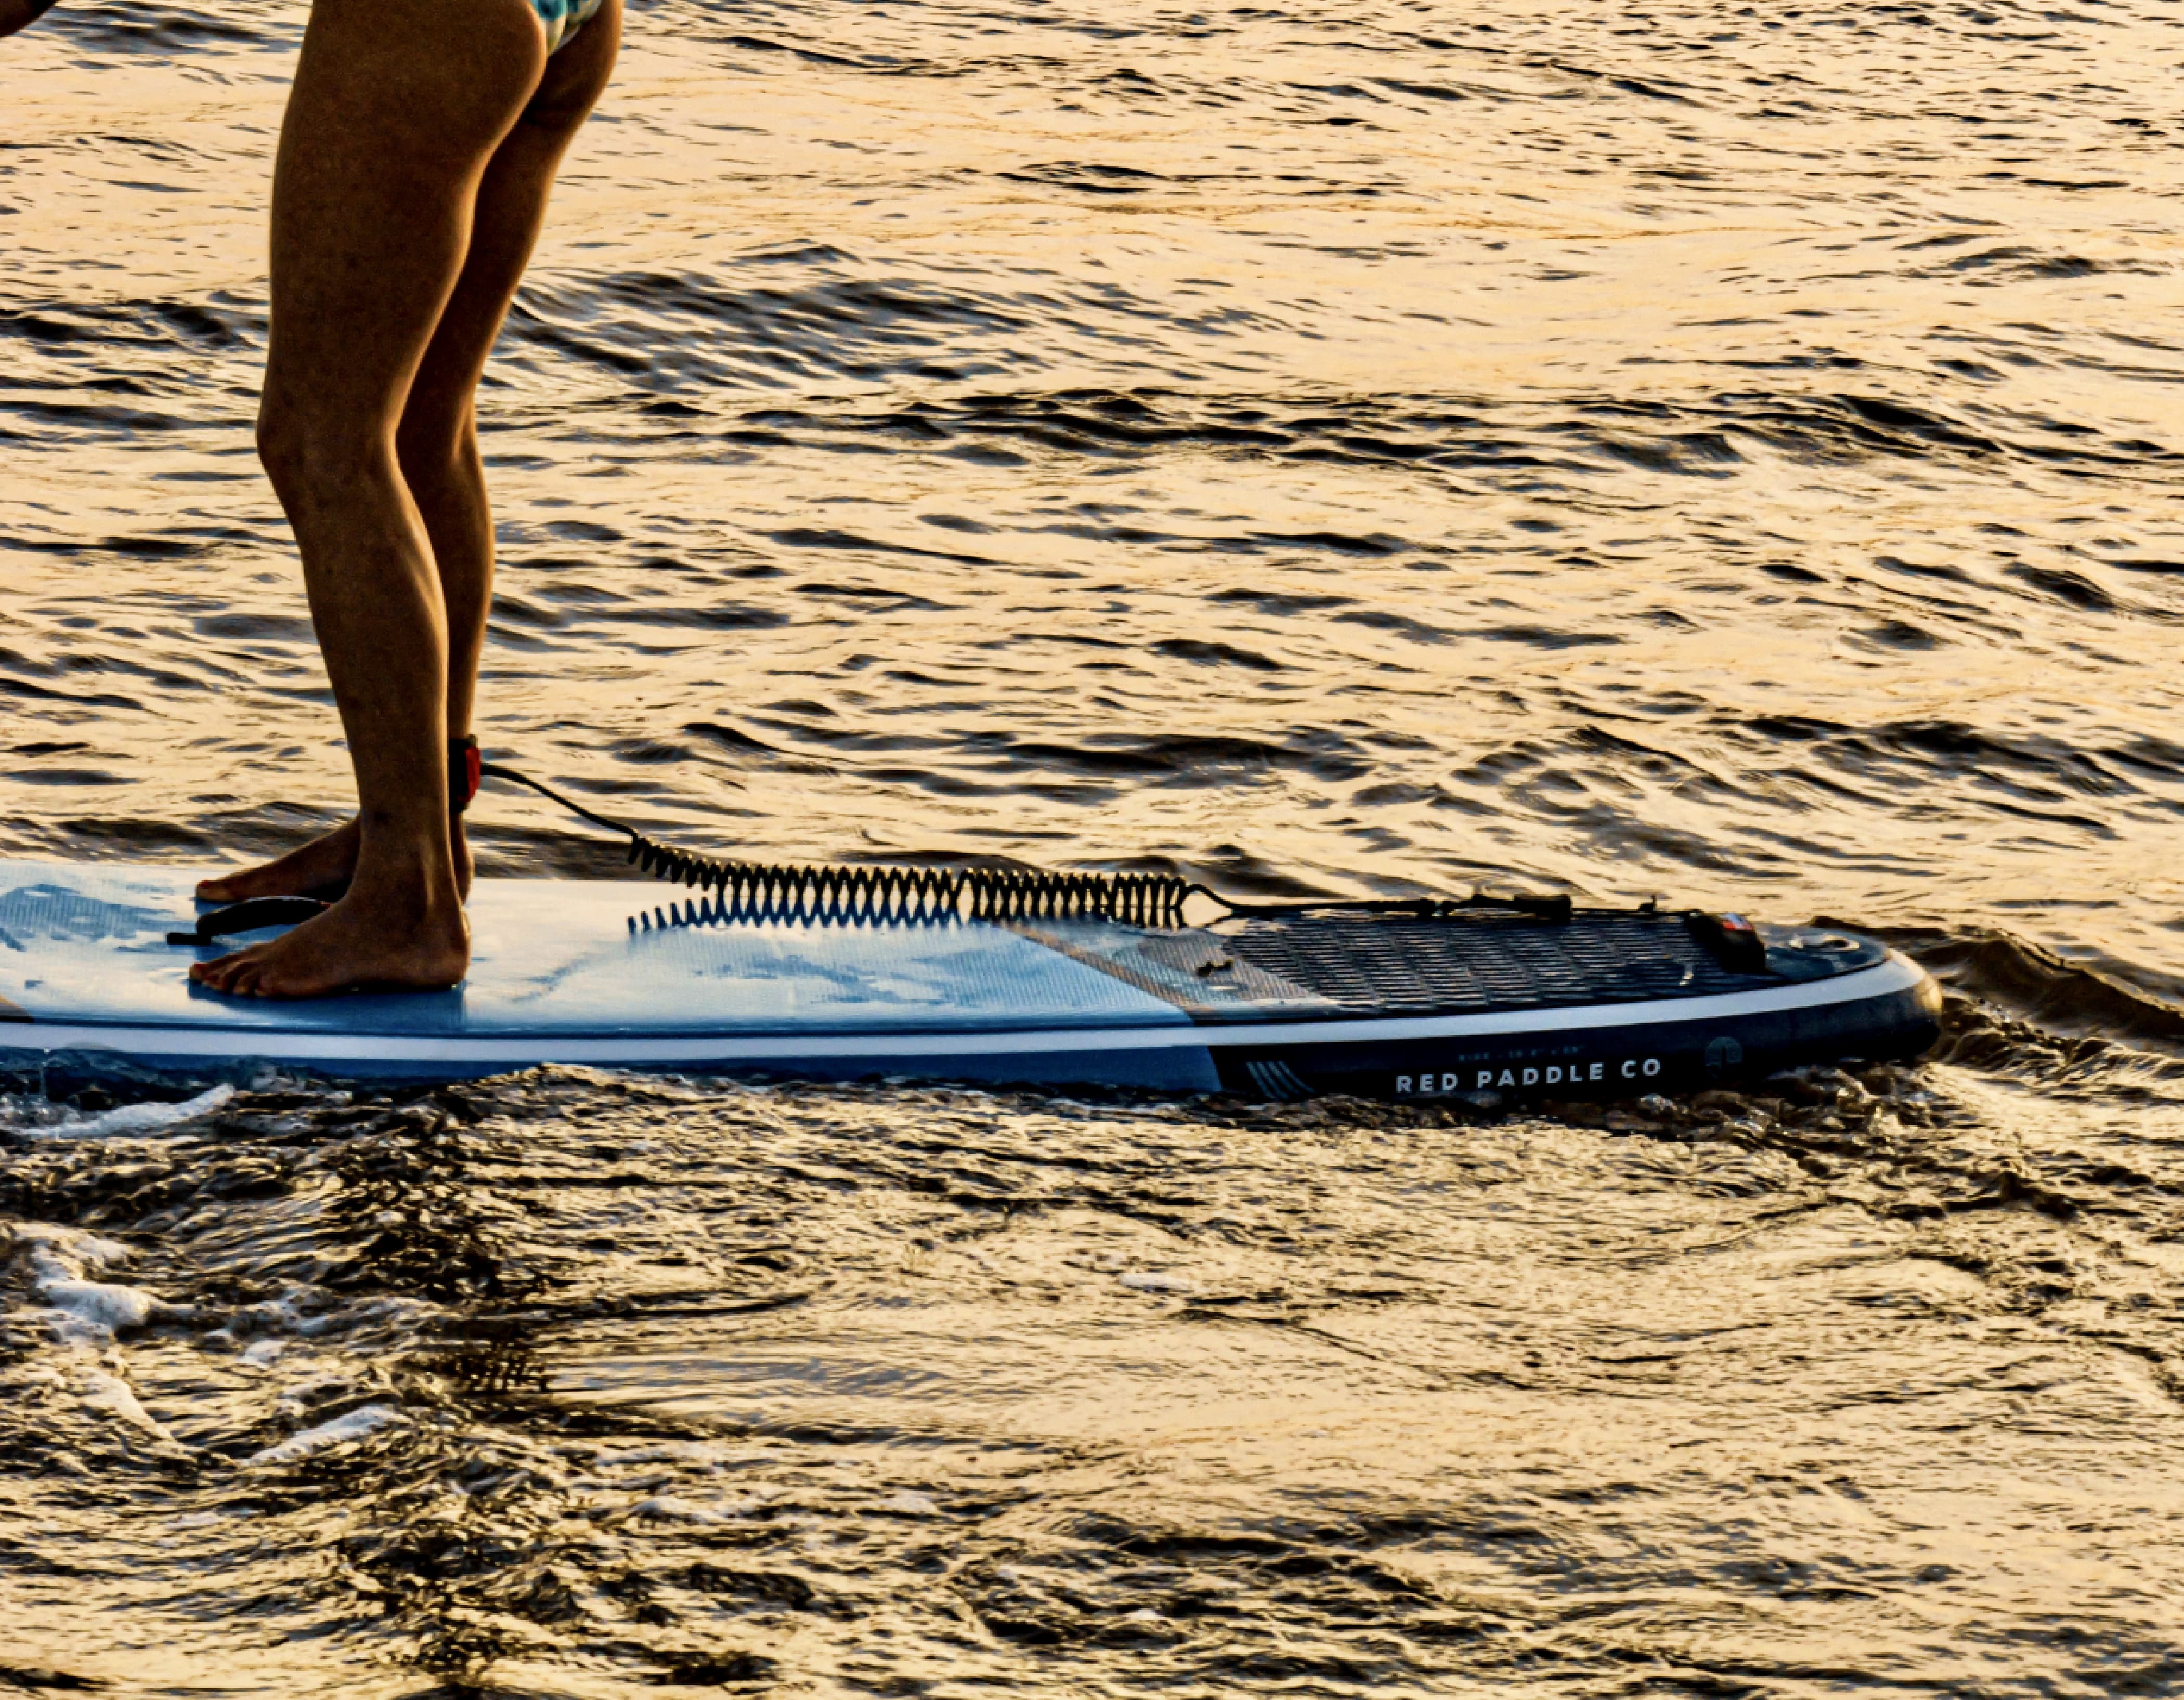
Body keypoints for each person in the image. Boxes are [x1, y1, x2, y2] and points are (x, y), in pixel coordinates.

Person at [2, 0, 620, 997]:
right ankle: (420, 842)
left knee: (324, 442)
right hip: (565, 18)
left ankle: (409, 901)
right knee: (420, 426)